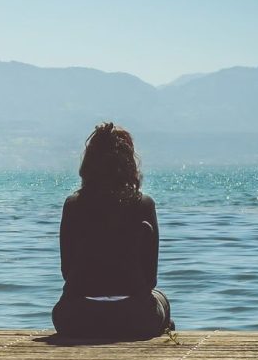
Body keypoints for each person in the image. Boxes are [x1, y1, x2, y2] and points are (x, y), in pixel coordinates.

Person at [52, 122, 173, 339]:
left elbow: (66, 272)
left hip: (77, 317)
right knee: (161, 298)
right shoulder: (144, 204)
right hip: (135, 318)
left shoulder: (73, 205)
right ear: (129, 164)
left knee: (63, 308)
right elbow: (150, 280)